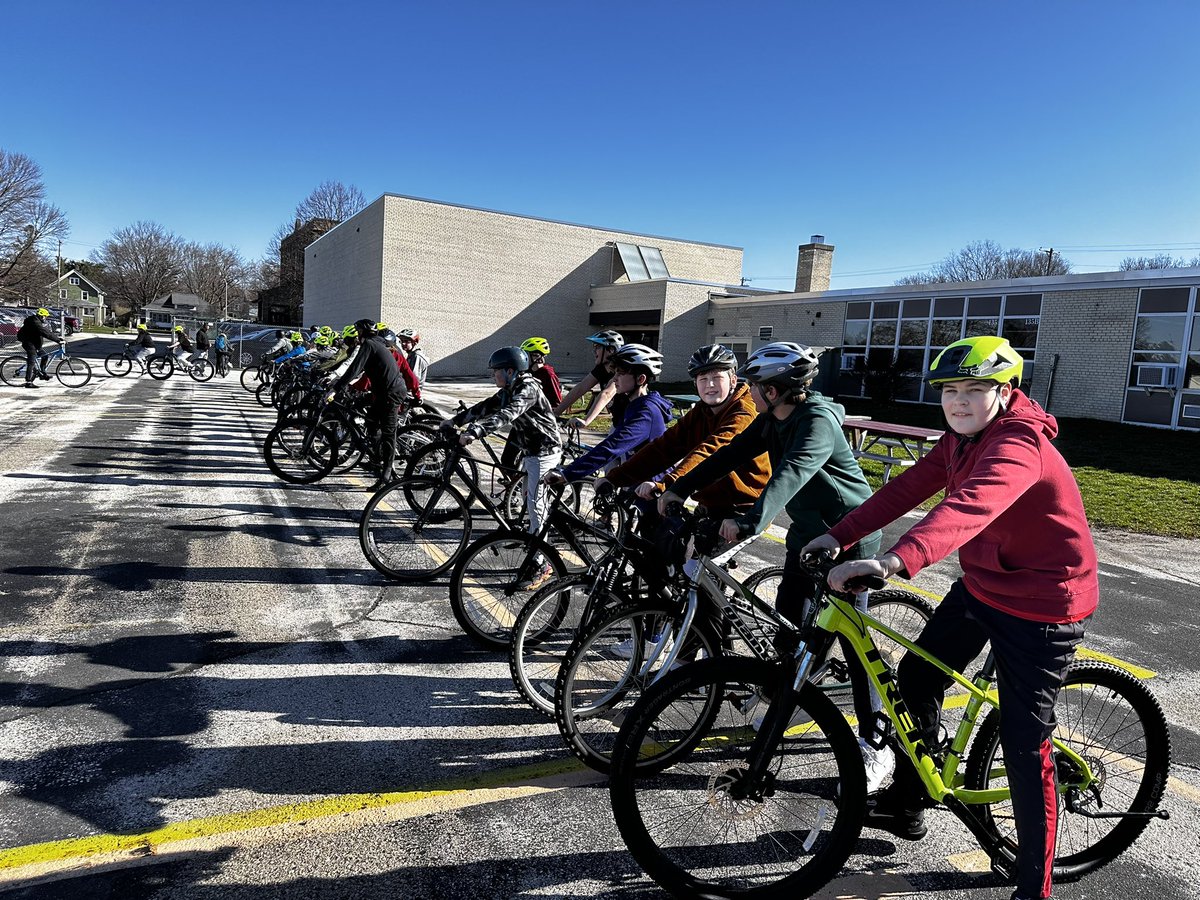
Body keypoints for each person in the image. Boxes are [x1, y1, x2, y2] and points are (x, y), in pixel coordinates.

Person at [803, 336, 1098, 900]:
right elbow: (909, 487)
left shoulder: (1018, 444)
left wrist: (895, 560)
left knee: (1021, 742)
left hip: (1042, 604)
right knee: (917, 676)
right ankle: (910, 802)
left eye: (974, 389)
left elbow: (971, 506)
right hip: (984, 586)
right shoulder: (962, 439)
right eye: (950, 391)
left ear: (1005, 391)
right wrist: (839, 534)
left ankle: (1034, 887)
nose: (959, 401)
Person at [657, 341, 890, 789]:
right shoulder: (771, 420)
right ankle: (789, 693)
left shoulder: (817, 422)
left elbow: (793, 473)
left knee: (855, 645)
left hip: (849, 538)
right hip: (807, 538)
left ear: (779, 389)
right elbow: (729, 455)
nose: (750, 390)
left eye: (757, 385)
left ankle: (875, 743)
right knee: (791, 626)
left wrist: (749, 521)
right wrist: (679, 487)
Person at [598, 344, 770, 524]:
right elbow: (664, 447)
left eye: (717, 378)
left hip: (743, 508)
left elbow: (711, 450)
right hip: (710, 503)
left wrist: (669, 484)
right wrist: (615, 478)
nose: (710, 385)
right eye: (703, 379)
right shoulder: (703, 411)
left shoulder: (744, 411)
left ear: (733, 380)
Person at [444, 345, 564, 589]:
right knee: (528, 501)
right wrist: (454, 421)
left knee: (535, 506)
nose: (492, 376)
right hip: (530, 452)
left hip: (545, 452)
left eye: (495, 371)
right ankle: (533, 539)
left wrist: (477, 431)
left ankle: (542, 563)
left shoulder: (528, 388)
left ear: (510, 371)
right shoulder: (509, 389)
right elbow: (485, 407)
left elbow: (509, 413)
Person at [545, 343, 671, 486]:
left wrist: (568, 473)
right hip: (637, 485)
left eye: (621, 373)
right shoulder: (634, 406)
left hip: (652, 490)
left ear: (640, 379)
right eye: (615, 372)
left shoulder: (646, 412)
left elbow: (612, 446)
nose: (614, 378)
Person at [327, 318, 410, 487]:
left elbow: (355, 368)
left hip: (391, 393)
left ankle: (386, 473)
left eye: (357, 331)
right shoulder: (375, 343)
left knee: (388, 434)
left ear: (363, 331)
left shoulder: (370, 344)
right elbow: (361, 371)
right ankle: (377, 455)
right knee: (370, 422)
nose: (356, 335)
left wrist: (338, 387)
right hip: (381, 393)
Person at [553, 330, 623, 427]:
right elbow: (580, 388)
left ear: (611, 350)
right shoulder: (601, 369)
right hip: (618, 422)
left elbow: (607, 394)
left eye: (597, 347)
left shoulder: (620, 370)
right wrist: (556, 413)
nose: (594, 351)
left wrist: (586, 421)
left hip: (634, 423)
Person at [16, 308, 63, 388]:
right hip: (29, 344)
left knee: (45, 356)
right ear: (41, 316)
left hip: (35, 344)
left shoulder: (37, 321)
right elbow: (45, 332)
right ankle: (28, 382)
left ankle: (42, 374)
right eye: (45, 316)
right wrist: (57, 340)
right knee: (31, 362)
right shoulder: (34, 322)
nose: (46, 318)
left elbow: (47, 331)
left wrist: (58, 338)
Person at [520, 337, 562, 406]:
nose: (541, 360)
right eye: (536, 356)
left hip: (541, 412)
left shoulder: (547, 373)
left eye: (527, 355)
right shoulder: (526, 371)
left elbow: (557, 402)